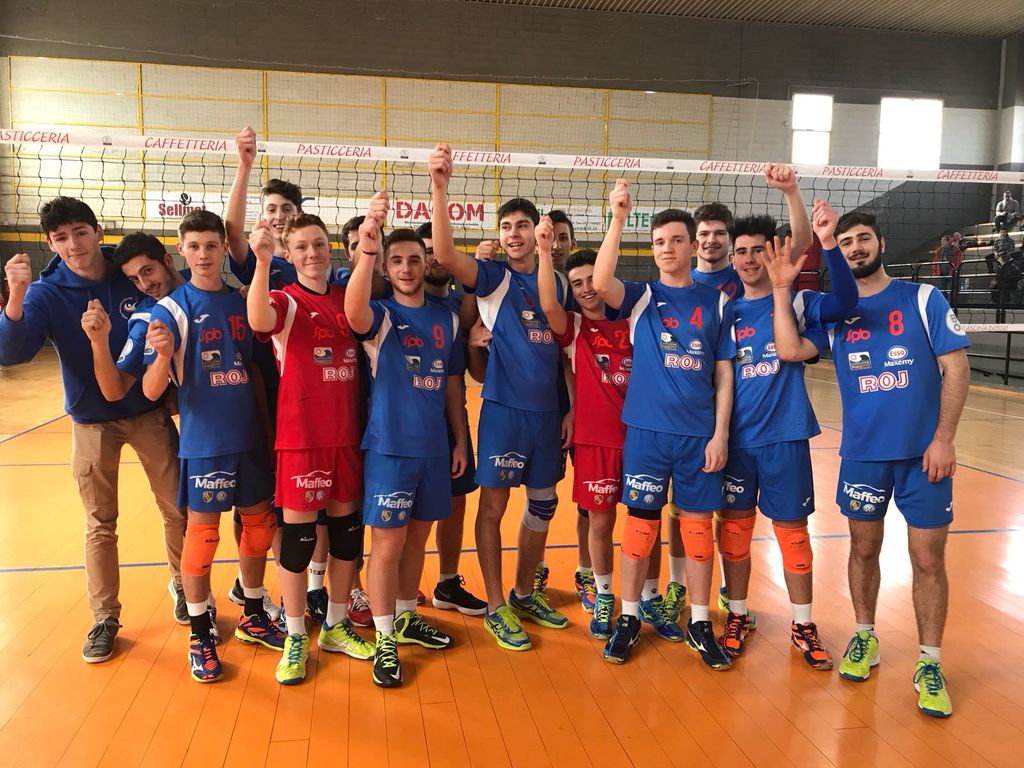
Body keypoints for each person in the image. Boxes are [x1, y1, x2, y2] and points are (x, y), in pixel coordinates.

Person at [789, 210, 970, 718]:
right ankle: (865, 636)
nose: (855, 248)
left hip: (923, 457)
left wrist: (944, 440)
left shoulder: (922, 298)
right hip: (863, 456)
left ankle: (929, 661)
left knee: (928, 560)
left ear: (881, 243)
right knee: (863, 550)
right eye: (845, 242)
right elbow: (790, 347)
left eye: (863, 238)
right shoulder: (832, 311)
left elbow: (956, 369)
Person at [0, 198, 185, 664]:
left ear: (98, 232)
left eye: (80, 232)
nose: (73, 245)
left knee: (177, 508)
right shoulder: (45, 292)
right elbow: (12, 353)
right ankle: (105, 618)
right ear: (50, 244)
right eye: (61, 238)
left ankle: (186, 588)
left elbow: (174, 296)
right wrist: (15, 296)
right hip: (90, 419)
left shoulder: (127, 274)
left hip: (146, 411)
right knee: (100, 524)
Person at [430, 143, 570, 651]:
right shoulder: (494, 279)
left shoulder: (558, 282)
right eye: (506, 226)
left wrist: (571, 409)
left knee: (544, 504)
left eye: (522, 226)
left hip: (548, 416)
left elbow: (566, 354)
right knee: (492, 507)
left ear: (537, 232)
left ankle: (523, 592)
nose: (513, 234)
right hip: (504, 414)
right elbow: (447, 256)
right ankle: (495, 605)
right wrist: (440, 188)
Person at [593, 179, 735, 667]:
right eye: (659, 242)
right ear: (651, 249)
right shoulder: (640, 297)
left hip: (699, 438)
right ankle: (630, 617)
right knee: (640, 529)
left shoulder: (716, 302)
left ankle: (700, 622)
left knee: (697, 534)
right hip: (648, 435)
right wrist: (617, 218)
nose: (668, 248)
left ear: (693, 245)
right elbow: (600, 282)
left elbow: (723, 373)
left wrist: (720, 434)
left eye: (676, 240)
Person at [141, 210, 285, 683]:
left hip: (250, 437)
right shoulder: (171, 309)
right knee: (203, 536)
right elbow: (150, 390)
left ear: (224, 248)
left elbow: (259, 369)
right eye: (194, 246)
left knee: (259, 529)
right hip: (205, 443)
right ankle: (201, 631)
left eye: (211, 245)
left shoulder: (244, 300)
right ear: (180, 251)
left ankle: (252, 612)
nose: (203, 254)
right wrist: (163, 355)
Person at [716, 198, 856, 669]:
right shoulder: (724, 312)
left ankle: (802, 623)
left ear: (772, 252)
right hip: (736, 442)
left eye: (758, 249)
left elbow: (846, 302)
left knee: (793, 535)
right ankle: (738, 614)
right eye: (741, 251)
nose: (748, 258)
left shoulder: (799, 302)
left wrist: (827, 243)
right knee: (734, 532)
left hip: (785, 436)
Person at [246, 213, 376, 684]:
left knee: (346, 538)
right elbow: (259, 319)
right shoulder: (285, 300)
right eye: (301, 247)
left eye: (319, 244)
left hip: (347, 436)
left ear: (330, 247)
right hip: (302, 439)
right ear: (289, 253)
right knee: (299, 542)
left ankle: (336, 625)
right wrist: (262, 263)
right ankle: (296, 632)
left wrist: (370, 242)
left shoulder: (347, 298)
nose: (312, 253)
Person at [345, 197, 466, 687]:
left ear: (425, 262)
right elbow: (353, 312)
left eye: (414, 259)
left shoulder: (447, 318)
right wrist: (367, 248)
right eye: (397, 261)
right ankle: (384, 639)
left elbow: (453, 386)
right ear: (387, 269)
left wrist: (460, 441)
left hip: (434, 448)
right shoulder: (381, 316)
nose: (407, 268)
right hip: (390, 449)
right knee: (388, 544)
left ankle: (405, 615)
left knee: (418, 538)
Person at [536, 231, 630, 642]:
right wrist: (543, 252)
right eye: (578, 283)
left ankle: (646, 594)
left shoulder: (635, 318)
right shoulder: (574, 327)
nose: (588, 288)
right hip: (596, 440)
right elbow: (548, 305)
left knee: (644, 521)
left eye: (593, 278)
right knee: (600, 521)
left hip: (641, 437)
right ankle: (603, 591)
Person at [416, 221, 488, 615]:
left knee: (456, 501)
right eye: (426, 250)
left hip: (452, 417)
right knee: (411, 512)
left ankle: (447, 582)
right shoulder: (398, 301)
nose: (435, 257)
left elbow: (465, 370)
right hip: (409, 424)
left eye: (439, 250)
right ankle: (399, 588)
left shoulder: (461, 305)